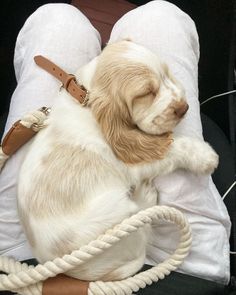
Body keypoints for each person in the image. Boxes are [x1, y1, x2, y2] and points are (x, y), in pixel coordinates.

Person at [0, 1, 231, 294]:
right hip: (177, 266)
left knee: (56, 19)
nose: (178, 100)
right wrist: (181, 152)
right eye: (149, 92)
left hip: (22, 259)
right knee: (160, 17)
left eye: (164, 79)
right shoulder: (111, 128)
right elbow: (130, 158)